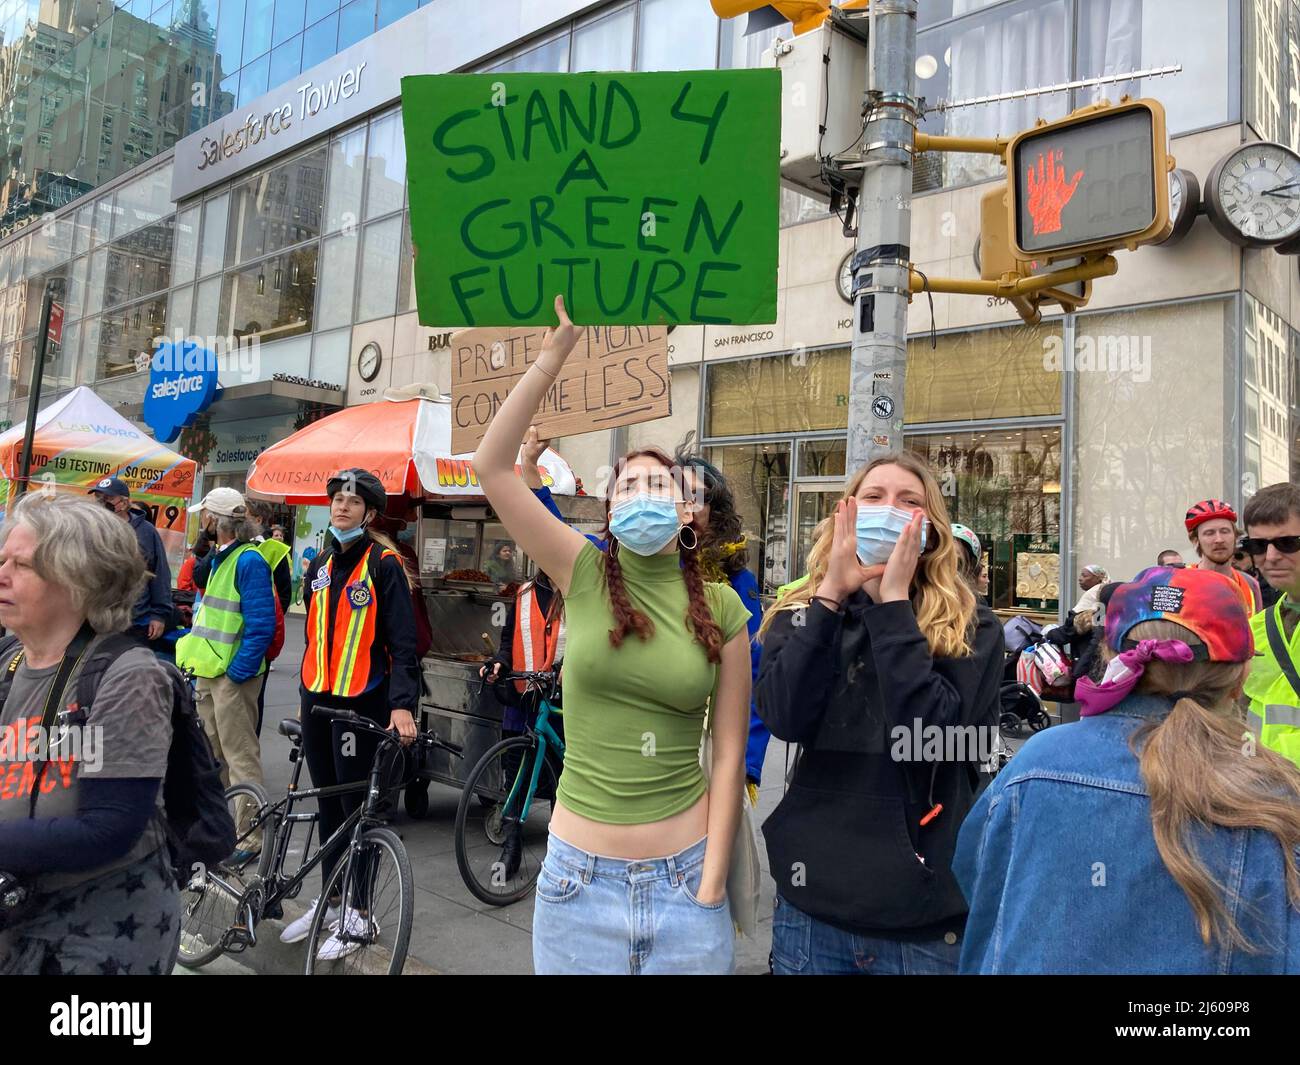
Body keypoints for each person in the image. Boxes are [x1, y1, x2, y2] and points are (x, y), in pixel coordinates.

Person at [473, 296, 753, 976]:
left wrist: (711, 882)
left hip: (687, 883)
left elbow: (729, 751)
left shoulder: (723, 606)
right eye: (627, 486)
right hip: (576, 888)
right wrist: (552, 356)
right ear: (608, 510)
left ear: (688, 510)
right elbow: (491, 466)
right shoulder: (584, 572)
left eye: (659, 484)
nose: (642, 495)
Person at [955, 565, 1300, 973]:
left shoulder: (1038, 761)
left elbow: (976, 873)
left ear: (1109, 656)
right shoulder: (1276, 795)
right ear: (1240, 675)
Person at [756, 452, 1004, 975]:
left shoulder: (971, 625)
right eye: (873, 497)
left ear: (931, 528)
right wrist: (829, 599)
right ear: (845, 514)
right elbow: (784, 717)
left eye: (909, 501)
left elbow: (930, 739)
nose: (889, 509)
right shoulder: (803, 610)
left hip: (922, 922)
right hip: (811, 908)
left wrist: (892, 606)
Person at [0, 494, 178, 975]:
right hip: (17, 920)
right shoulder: (10, 658)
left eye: (22, 565)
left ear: (79, 580)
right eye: (2, 560)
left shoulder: (128, 676)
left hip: (100, 934)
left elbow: (109, 829)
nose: (2, 574)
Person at [280, 468, 420, 962]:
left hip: (362, 703)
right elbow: (316, 631)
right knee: (328, 805)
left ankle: (360, 912)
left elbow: (404, 643)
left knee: (359, 808)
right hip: (316, 699)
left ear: (370, 512)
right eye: (337, 499)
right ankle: (333, 899)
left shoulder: (384, 564)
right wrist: (304, 692)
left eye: (353, 502)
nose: (342, 507)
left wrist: (402, 705)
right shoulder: (319, 563)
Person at [174, 488, 275, 866]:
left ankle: (250, 836)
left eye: (205, 517)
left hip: (230, 674)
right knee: (211, 754)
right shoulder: (224, 556)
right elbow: (202, 582)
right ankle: (220, 829)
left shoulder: (248, 561)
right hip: (212, 670)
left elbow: (260, 625)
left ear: (215, 519)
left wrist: (239, 671)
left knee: (239, 756)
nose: (202, 521)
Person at [1242, 482, 1300, 768]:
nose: (1272, 556)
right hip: (1265, 796)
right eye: (1258, 545)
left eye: (1287, 543)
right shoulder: (1256, 628)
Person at [87, 477, 172, 649]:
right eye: (98, 498)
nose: (101, 503)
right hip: (96, 620)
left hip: (136, 622)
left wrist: (159, 615)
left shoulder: (147, 532)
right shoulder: (90, 529)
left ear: (124, 503)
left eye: (108, 499)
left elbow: (160, 574)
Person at [1185, 498, 1262, 613]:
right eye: (1209, 533)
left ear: (1235, 536)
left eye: (1225, 531)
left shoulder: (1250, 585)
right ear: (1195, 540)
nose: (1219, 539)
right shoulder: (1180, 580)